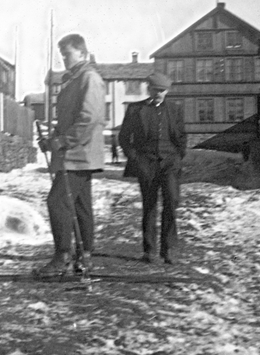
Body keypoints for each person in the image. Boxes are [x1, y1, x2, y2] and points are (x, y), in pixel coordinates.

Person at [34, 33, 106, 278]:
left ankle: (61, 257)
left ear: (83, 53)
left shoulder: (89, 79)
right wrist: (51, 139)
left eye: (68, 54)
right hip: (73, 153)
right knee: (80, 205)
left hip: (78, 154)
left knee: (57, 202)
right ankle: (84, 257)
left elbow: (88, 119)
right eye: (62, 54)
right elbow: (67, 119)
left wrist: (61, 142)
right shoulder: (73, 80)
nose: (64, 58)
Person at [118, 71, 187, 264]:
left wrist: (178, 156)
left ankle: (169, 250)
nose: (159, 94)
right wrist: (135, 158)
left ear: (167, 91)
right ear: (149, 89)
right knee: (149, 206)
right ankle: (150, 251)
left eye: (163, 91)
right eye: (156, 90)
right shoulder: (135, 110)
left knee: (172, 203)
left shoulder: (174, 110)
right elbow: (124, 137)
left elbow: (181, 136)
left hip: (169, 163)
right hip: (146, 163)